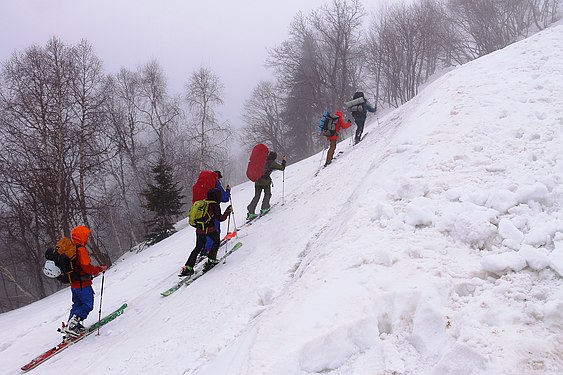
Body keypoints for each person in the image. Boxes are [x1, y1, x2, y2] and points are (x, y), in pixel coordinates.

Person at [61, 225, 107, 338]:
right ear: (82, 237)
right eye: (86, 235)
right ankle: (73, 325)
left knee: (77, 304)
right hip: (83, 284)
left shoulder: (71, 249)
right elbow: (86, 267)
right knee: (87, 304)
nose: (87, 237)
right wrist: (99, 269)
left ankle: (71, 326)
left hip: (74, 284)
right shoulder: (81, 250)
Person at [181, 188, 233, 276]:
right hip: (210, 228)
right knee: (216, 241)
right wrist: (227, 212)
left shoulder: (204, 202)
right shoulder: (214, 204)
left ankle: (188, 267)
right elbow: (220, 218)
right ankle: (211, 259)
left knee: (198, 247)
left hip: (199, 229)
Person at [246, 151, 286, 219]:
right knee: (268, 194)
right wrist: (284, 161)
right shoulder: (271, 162)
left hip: (257, 180)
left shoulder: (262, 160)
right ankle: (264, 208)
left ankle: (251, 211)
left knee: (257, 196)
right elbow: (282, 168)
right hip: (265, 182)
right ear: (274, 157)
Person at [201, 171, 231, 256]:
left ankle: (204, 247)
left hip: (203, 211)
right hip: (213, 210)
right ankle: (209, 249)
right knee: (214, 229)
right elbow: (225, 199)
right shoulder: (216, 185)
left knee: (205, 230)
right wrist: (228, 191)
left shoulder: (205, 184)